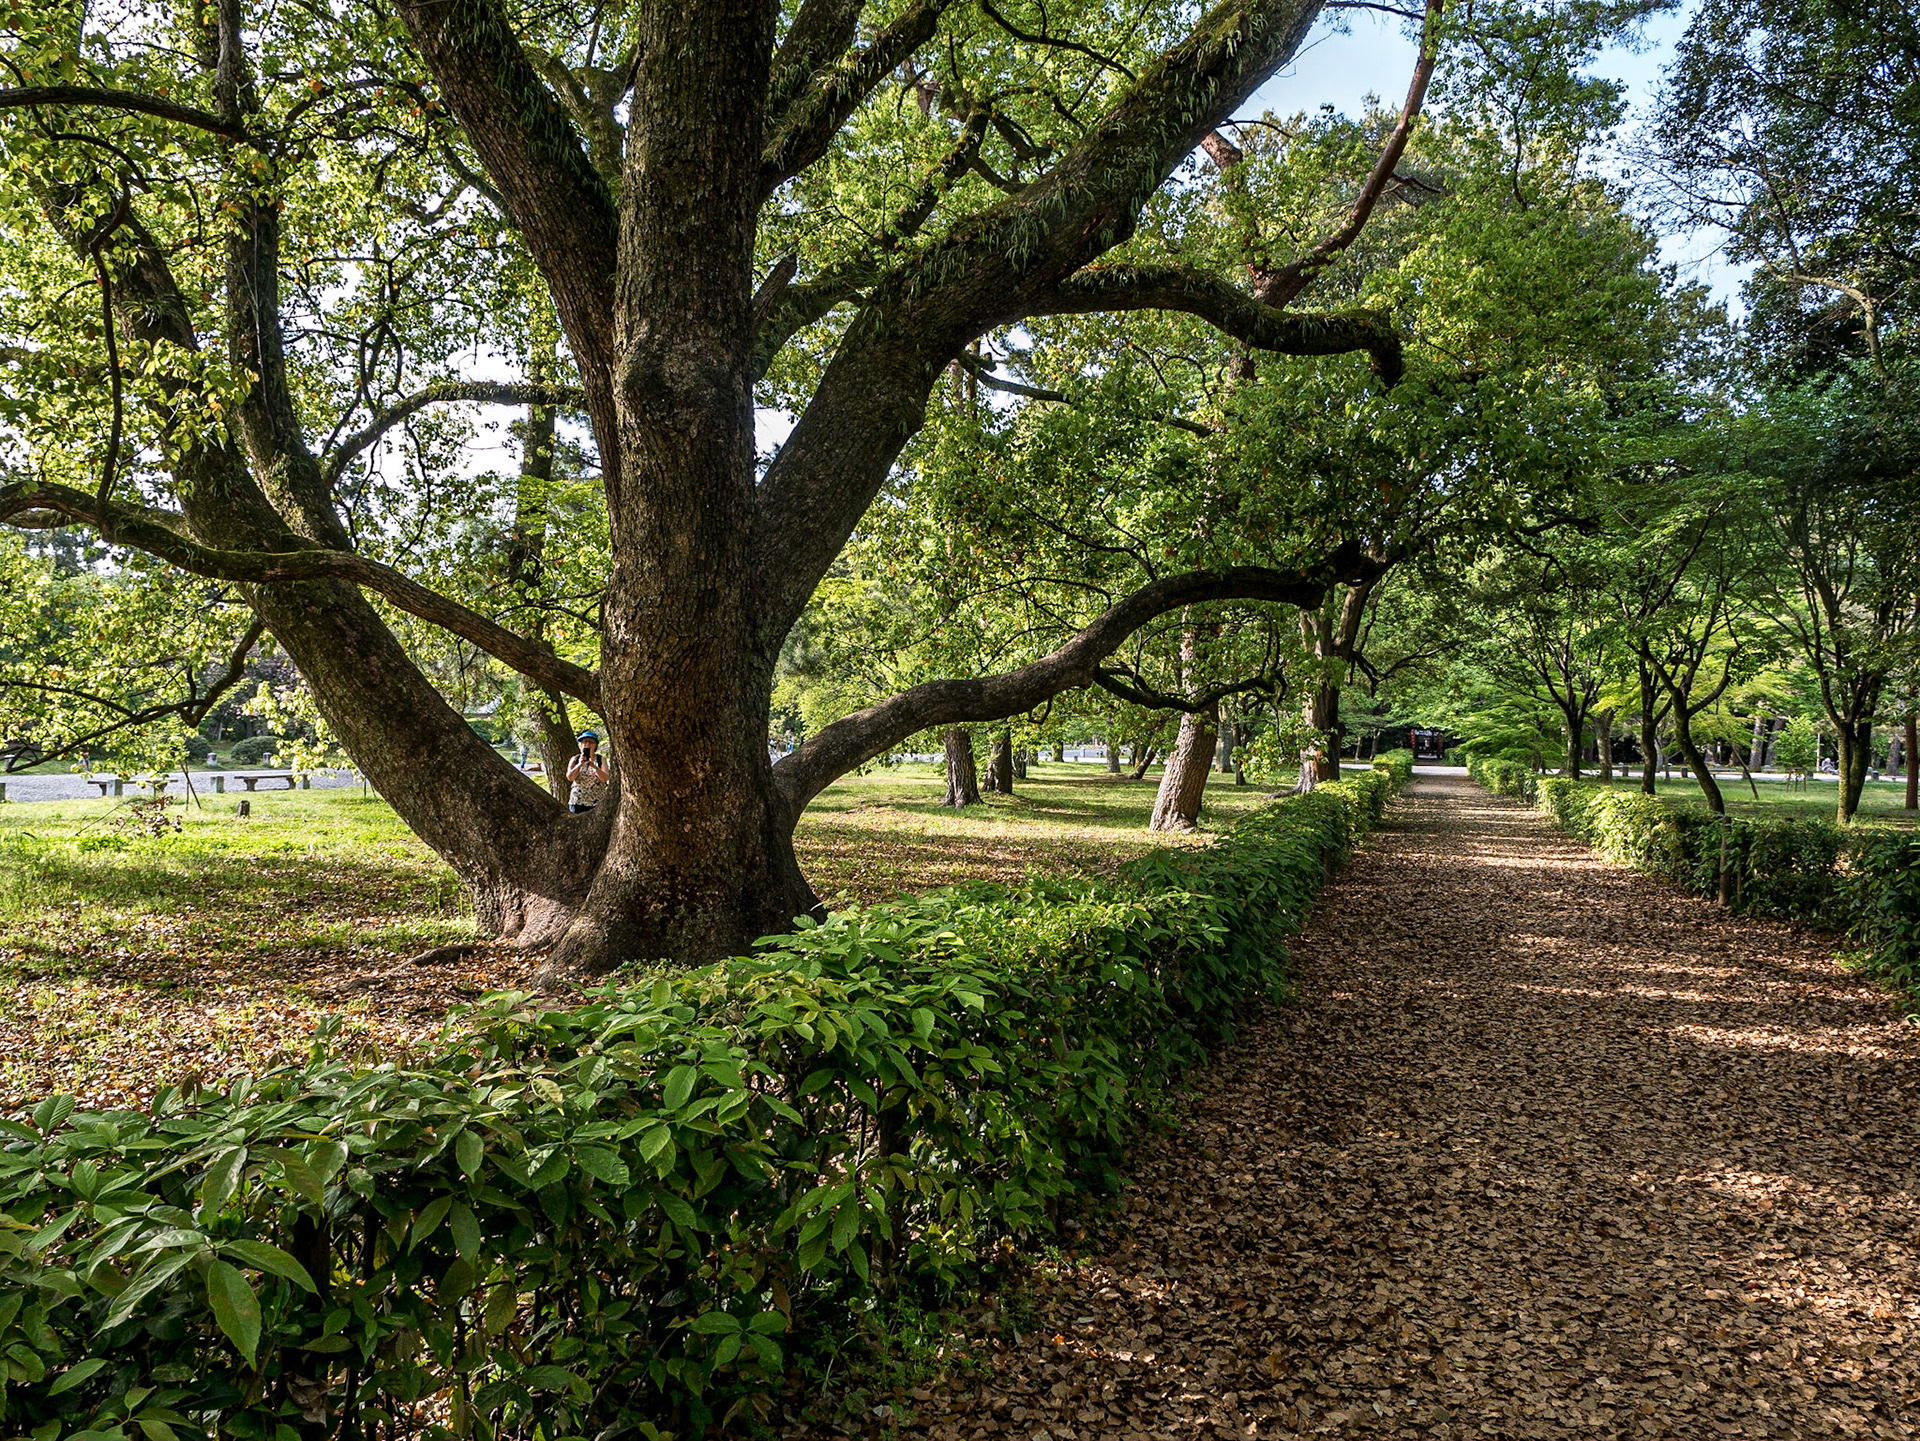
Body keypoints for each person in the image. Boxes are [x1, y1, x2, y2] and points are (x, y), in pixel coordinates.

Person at [566, 730, 610, 813]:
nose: (587, 744)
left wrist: (594, 767)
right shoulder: (575, 759)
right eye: (584, 741)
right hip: (577, 801)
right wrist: (579, 764)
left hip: (597, 802)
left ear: (595, 745)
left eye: (591, 742)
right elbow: (570, 777)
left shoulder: (601, 759)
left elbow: (605, 778)